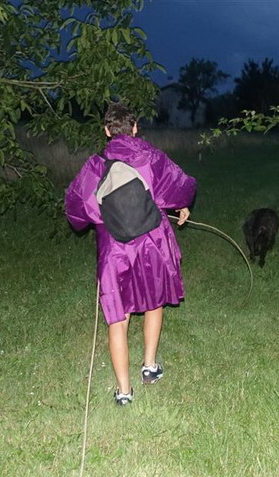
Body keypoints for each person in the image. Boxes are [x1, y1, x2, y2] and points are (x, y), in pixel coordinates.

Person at [65, 102, 196, 406]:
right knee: (154, 302)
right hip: (153, 243)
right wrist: (182, 204)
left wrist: (96, 218)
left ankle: (124, 391)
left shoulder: (95, 165)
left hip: (115, 249)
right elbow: (180, 185)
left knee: (118, 318)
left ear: (107, 130)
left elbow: (76, 207)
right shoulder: (152, 156)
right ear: (135, 128)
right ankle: (149, 367)